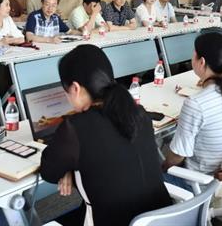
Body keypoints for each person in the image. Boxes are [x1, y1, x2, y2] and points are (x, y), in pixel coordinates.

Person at [40, 45, 171, 226]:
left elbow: (48, 172)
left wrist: (68, 168)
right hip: (164, 219)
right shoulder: (139, 113)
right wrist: (71, 167)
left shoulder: (75, 128)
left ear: (75, 88)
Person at [163, 33, 222, 177]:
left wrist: (161, 170)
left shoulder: (196, 104)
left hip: (202, 182)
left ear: (201, 62)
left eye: (193, 55)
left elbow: (177, 157)